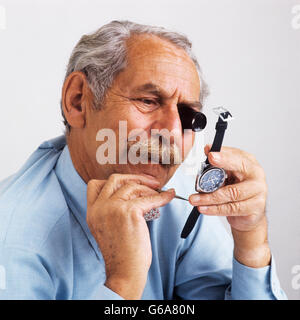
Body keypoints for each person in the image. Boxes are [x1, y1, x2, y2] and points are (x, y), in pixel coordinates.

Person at [0, 20, 286, 300]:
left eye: (187, 114)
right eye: (148, 101)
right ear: (78, 101)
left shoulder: (180, 198)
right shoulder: (12, 240)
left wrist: (251, 242)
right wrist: (123, 283)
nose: (173, 131)